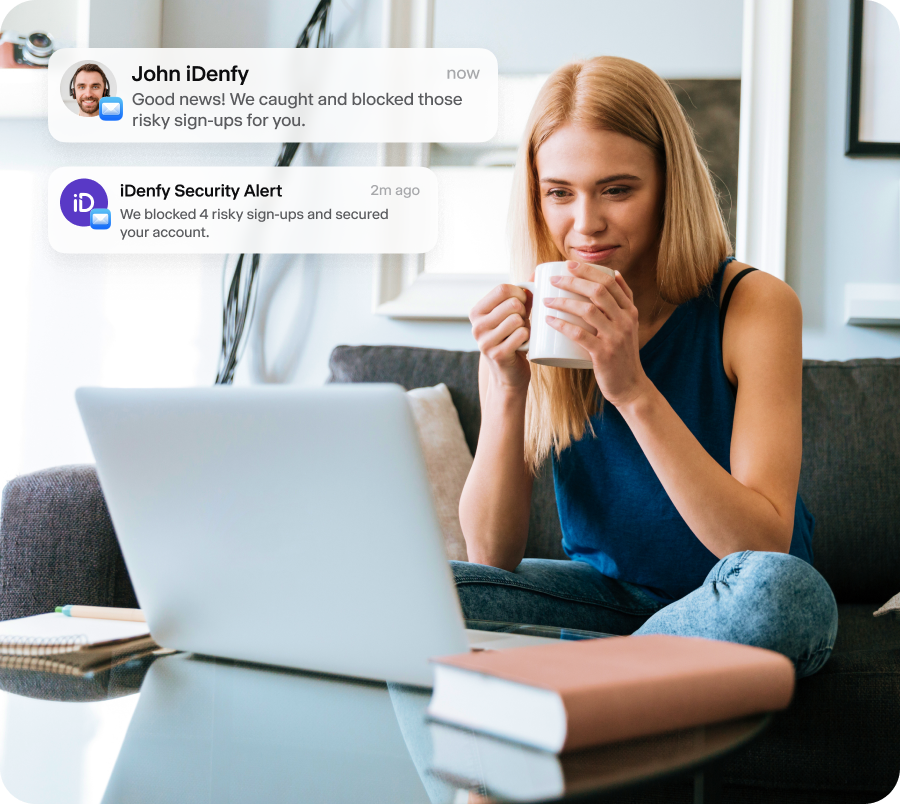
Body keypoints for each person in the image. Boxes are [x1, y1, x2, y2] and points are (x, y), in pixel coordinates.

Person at [455, 56, 837, 679]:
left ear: (669, 186)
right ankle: (608, 693)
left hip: (734, 599)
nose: (586, 224)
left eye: (618, 189)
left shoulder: (753, 305)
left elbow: (761, 542)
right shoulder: (540, 313)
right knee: (432, 596)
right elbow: (491, 557)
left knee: (783, 594)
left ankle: (574, 688)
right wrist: (505, 387)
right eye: (559, 193)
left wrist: (631, 388)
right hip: (605, 603)